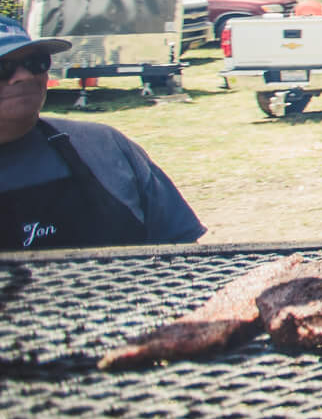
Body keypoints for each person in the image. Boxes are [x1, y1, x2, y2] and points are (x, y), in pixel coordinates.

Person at [0, 17, 205, 250]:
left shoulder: (104, 146)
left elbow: (182, 249)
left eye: (34, 62)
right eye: (2, 68)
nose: (24, 76)